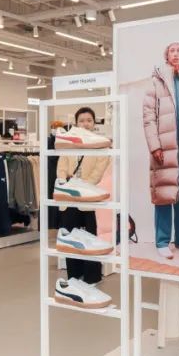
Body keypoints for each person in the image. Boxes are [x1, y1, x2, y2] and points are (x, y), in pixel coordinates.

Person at [143, 42, 179, 259]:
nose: (176, 54)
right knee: (164, 194)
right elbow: (148, 116)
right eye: (172, 50)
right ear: (166, 54)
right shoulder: (156, 80)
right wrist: (155, 145)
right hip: (164, 147)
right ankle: (162, 241)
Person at [56, 107, 110, 287]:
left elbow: (98, 173)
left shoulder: (101, 145)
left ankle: (92, 277)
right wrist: (66, 184)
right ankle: (74, 275)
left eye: (89, 120)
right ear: (76, 123)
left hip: (88, 198)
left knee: (89, 239)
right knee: (71, 239)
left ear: (94, 123)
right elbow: (61, 168)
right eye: (81, 120)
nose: (85, 124)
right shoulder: (68, 144)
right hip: (69, 198)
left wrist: (82, 187)